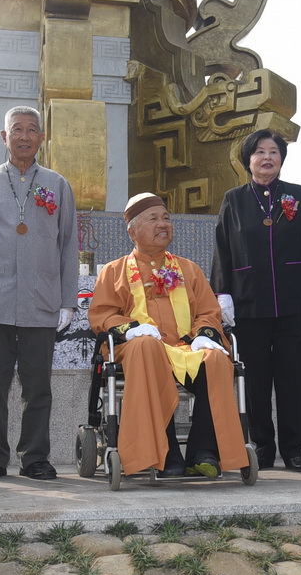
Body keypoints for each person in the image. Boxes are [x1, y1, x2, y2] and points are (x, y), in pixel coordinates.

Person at [0, 106, 77, 482]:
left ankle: (34, 456)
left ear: (42, 138)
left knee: (38, 387)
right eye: (17, 130)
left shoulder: (57, 184)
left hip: (42, 301)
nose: (24, 136)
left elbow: (68, 245)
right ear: (5, 137)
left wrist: (67, 300)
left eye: (31, 130)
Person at [89, 193, 247, 477]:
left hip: (184, 347)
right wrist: (132, 329)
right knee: (147, 346)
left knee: (215, 358)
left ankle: (203, 452)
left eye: (166, 218)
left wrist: (203, 335)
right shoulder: (114, 272)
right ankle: (165, 451)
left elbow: (207, 312)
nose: (163, 224)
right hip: (137, 349)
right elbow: (102, 315)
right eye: (153, 219)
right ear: (132, 232)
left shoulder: (189, 269)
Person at [211, 130, 301, 471]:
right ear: (248, 160)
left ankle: (294, 450)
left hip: (293, 303)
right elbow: (222, 248)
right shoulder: (233, 199)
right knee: (255, 380)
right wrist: (223, 292)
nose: (267, 157)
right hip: (249, 303)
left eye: (273, 152)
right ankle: (262, 446)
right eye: (259, 152)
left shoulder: (297, 195)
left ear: (281, 159)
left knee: (293, 379)